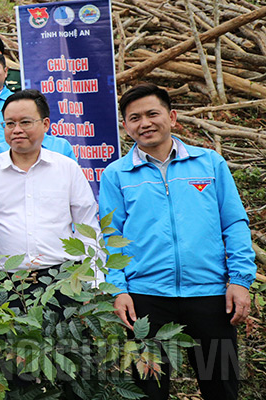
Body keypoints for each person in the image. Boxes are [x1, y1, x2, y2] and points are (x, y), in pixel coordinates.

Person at [100, 83, 254, 400]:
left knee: (221, 386)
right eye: (134, 118)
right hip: (146, 300)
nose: (144, 123)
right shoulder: (117, 174)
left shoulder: (210, 163)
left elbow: (234, 222)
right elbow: (110, 236)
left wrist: (239, 280)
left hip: (211, 296)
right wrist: (118, 289)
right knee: (149, 390)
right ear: (126, 126)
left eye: (152, 114)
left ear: (172, 117)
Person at [0, 90, 100, 300]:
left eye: (25, 122)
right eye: (9, 124)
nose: (16, 130)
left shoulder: (67, 168)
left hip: (61, 282)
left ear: (45, 124)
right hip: (2, 284)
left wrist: (92, 282)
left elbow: (87, 227)